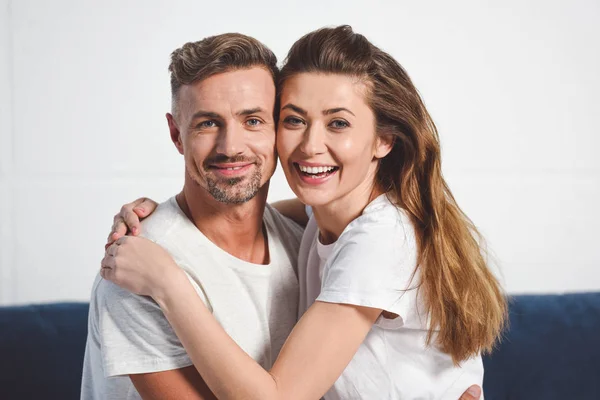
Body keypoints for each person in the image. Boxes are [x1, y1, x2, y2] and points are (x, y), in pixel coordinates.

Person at [102, 25, 504, 399]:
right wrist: (158, 219)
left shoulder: (378, 239)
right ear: (177, 134)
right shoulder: (321, 218)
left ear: (384, 140)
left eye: (339, 124)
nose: (311, 145)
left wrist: (167, 282)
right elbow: (246, 218)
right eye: (295, 120)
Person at [80, 33, 306, 400]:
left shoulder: (302, 240)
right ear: (176, 134)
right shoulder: (137, 268)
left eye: (252, 121)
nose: (231, 147)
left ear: (279, 128)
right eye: (207, 123)